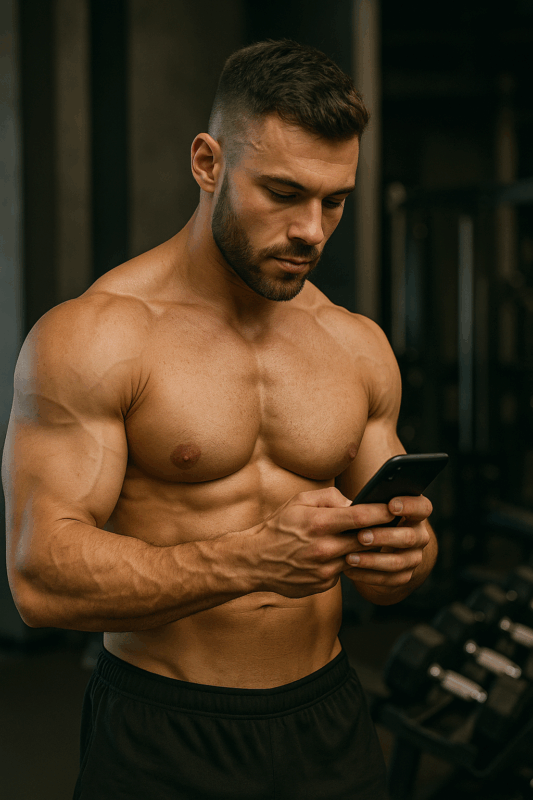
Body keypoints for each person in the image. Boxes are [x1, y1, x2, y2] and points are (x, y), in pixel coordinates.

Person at [2, 39, 436, 800]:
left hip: (328, 717)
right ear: (208, 163)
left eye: (333, 200)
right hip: (165, 727)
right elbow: (40, 581)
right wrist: (251, 561)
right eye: (282, 192)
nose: (311, 229)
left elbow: (393, 573)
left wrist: (407, 555)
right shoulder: (98, 335)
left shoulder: (355, 344)